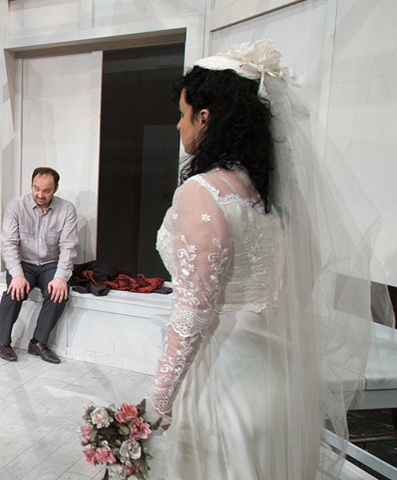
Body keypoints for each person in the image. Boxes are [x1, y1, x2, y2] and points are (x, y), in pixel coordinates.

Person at [147, 40, 387, 478]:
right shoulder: (273, 198)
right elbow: (303, 276)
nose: (178, 124)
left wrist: (157, 402)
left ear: (205, 117)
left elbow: (194, 311)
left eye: (182, 113)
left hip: (224, 382)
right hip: (278, 380)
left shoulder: (203, 192)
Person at [0, 167, 79, 364]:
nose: (40, 195)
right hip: (23, 263)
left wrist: (61, 277)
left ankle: (38, 342)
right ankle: (3, 342)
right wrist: (17, 275)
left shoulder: (67, 209)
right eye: (36, 188)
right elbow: (8, 244)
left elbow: (68, 246)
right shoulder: (16, 206)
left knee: (59, 293)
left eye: (46, 190)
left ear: (55, 189)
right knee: (14, 291)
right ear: (31, 185)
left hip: (50, 263)